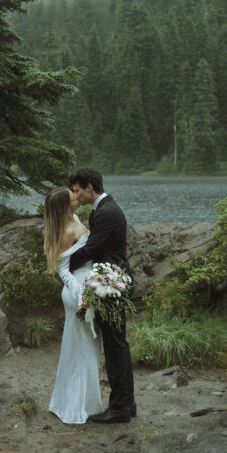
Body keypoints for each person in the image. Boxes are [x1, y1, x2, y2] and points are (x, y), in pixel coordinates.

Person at [68, 166, 136, 423]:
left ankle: (120, 408)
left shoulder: (106, 212)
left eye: (77, 191)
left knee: (115, 345)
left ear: (89, 186)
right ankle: (127, 403)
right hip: (113, 280)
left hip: (112, 284)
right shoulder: (105, 209)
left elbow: (93, 248)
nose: (77, 197)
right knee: (118, 345)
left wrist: (65, 265)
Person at [44, 187, 104, 424]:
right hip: (76, 288)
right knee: (81, 349)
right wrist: (81, 292)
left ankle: (87, 403)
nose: (77, 199)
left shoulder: (77, 219)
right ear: (65, 206)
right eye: (73, 199)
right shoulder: (65, 231)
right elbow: (62, 270)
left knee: (87, 347)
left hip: (87, 283)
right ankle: (76, 407)